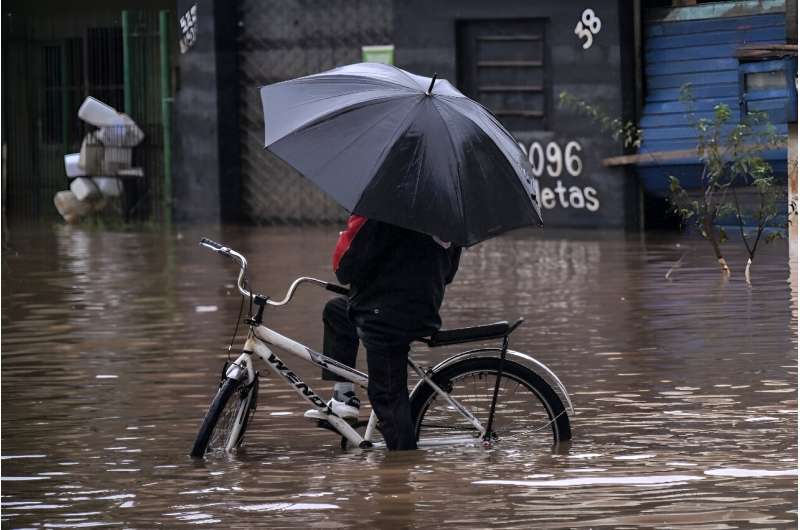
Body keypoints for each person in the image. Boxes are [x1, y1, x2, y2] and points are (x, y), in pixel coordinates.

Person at [312, 214, 461, 450]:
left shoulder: (382, 205)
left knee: (388, 399)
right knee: (337, 311)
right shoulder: (448, 211)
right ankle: (344, 397)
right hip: (424, 305)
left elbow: (345, 267)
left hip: (386, 314)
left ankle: (402, 470)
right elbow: (449, 273)